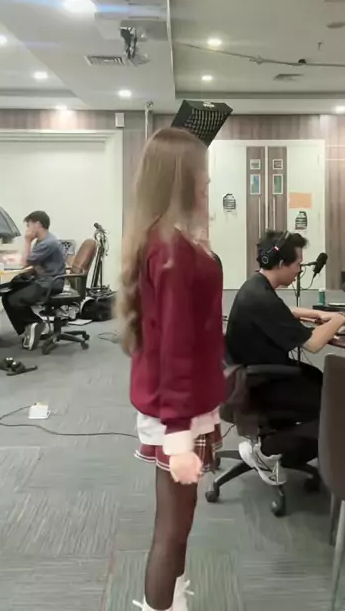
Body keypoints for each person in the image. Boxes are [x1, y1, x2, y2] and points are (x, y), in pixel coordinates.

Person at [120, 128, 225, 611]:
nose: (208, 183)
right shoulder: (170, 251)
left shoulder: (166, 240)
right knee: (172, 528)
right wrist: (180, 435)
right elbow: (175, 347)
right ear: (182, 180)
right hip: (177, 412)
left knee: (180, 522)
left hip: (182, 405)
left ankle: (172, 599)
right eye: (201, 176)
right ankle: (160, 605)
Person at [225, 229, 345, 484]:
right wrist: (341, 318)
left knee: (324, 382)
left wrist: (316, 314)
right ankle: (267, 452)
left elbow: (283, 310)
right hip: (261, 384)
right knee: (336, 405)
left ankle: (285, 448)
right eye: (298, 264)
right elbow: (313, 344)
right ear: (281, 264)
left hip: (257, 373)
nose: (300, 270)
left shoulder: (254, 286)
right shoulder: (261, 298)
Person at [2, 210, 65, 350]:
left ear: (37, 224)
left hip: (51, 283)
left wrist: (27, 241)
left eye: (29, 225)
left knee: (14, 299)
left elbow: (26, 262)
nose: (27, 229)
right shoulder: (43, 241)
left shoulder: (47, 243)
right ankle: (26, 331)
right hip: (45, 280)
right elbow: (32, 264)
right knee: (7, 297)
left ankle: (36, 323)